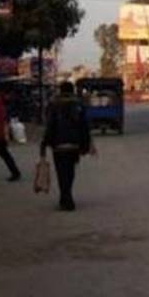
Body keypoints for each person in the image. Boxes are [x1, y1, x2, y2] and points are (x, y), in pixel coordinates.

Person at [40, 81, 92, 211]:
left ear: (60, 90)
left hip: (58, 145)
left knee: (61, 172)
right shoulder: (79, 105)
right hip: (74, 145)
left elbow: (50, 125)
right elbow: (84, 127)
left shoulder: (53, 104)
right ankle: (66, 197)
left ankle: (66, 198)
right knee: (70, 172)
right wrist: (85, 145)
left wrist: (44, 143)